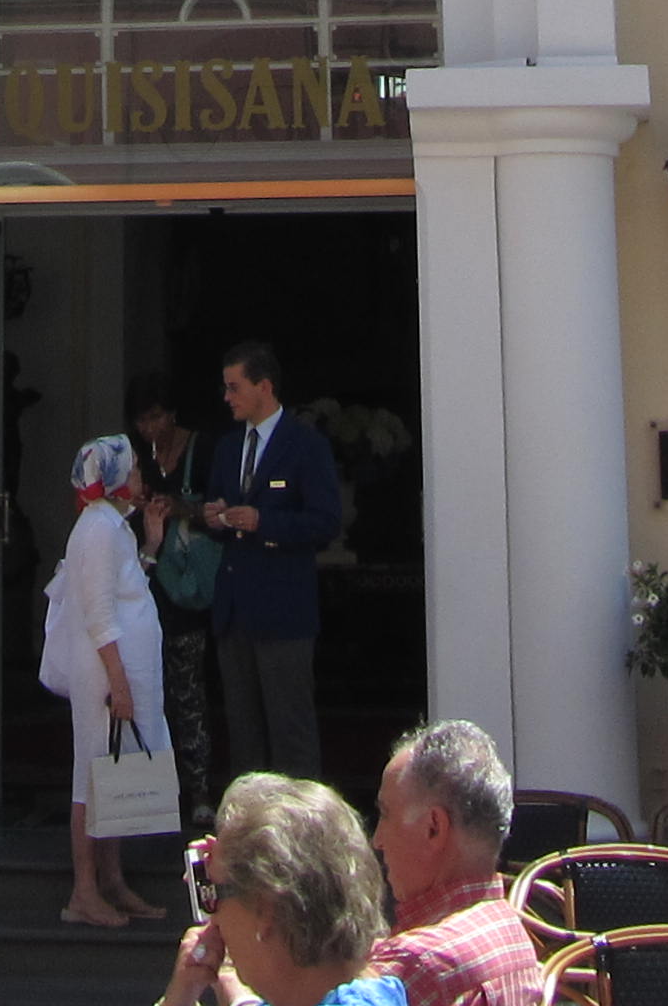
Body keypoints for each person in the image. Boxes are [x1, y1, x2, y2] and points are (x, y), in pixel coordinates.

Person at [45, 433, 169, 929]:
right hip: (103, 675)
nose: (140, 475)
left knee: (116, 771)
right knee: (92, 776)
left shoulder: (114, 526)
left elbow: (127, 590)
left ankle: (112, 881)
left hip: (124, 672)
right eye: (133, 467)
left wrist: (151, 544)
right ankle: (84, 891)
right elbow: (99, 614)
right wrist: (118, 682)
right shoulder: (97, 529)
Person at [206, 341, 343, 783]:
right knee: (243, 733)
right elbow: (218, 507)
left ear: (263, 387)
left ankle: (303, 821)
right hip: (235, 611)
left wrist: (264, 521)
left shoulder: (305, 445)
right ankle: (249, 821)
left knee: (290, 730)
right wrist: (215, 516)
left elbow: (325, 521)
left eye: (235, 387)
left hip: (283, 612)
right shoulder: (228, 447)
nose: (227, 397)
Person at [155, 774, 402, 1006]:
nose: (213, 922)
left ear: (264, 909)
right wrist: (184, 993)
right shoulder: (373, 991)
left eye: (212, 896)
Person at [366, 722, 546, 1006]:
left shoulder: (418, 964)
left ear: (433, 828)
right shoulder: (513, 931)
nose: (377, 840)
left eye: (385, 815)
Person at [131, 378, 223, 832]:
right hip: (147, 586)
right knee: (148, 694)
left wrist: (180, 508)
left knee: (188, 693)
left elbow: (221, 510)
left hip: (186, 588)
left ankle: (200, 790)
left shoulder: (202, 450)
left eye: (156, 416)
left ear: (172, 414)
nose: (150, 428)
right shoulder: (137, 457)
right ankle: (152, 793)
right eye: (142, 420)